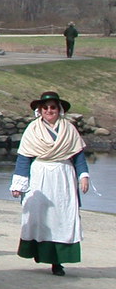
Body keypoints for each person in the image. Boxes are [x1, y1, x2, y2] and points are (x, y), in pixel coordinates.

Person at [9, 92, 90, 276]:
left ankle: (58, 261)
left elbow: (78, 156)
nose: (49, 111)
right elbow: (24, 158)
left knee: (62, 217)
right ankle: (39, 253)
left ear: (59, 109)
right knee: (40, 218)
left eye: (53, 107)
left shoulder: (69, 129)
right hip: (40, 174)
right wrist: (18, 184)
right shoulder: (33, 129)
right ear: (40, 110)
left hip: (63, 176)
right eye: (45, 108)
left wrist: (83, 175)